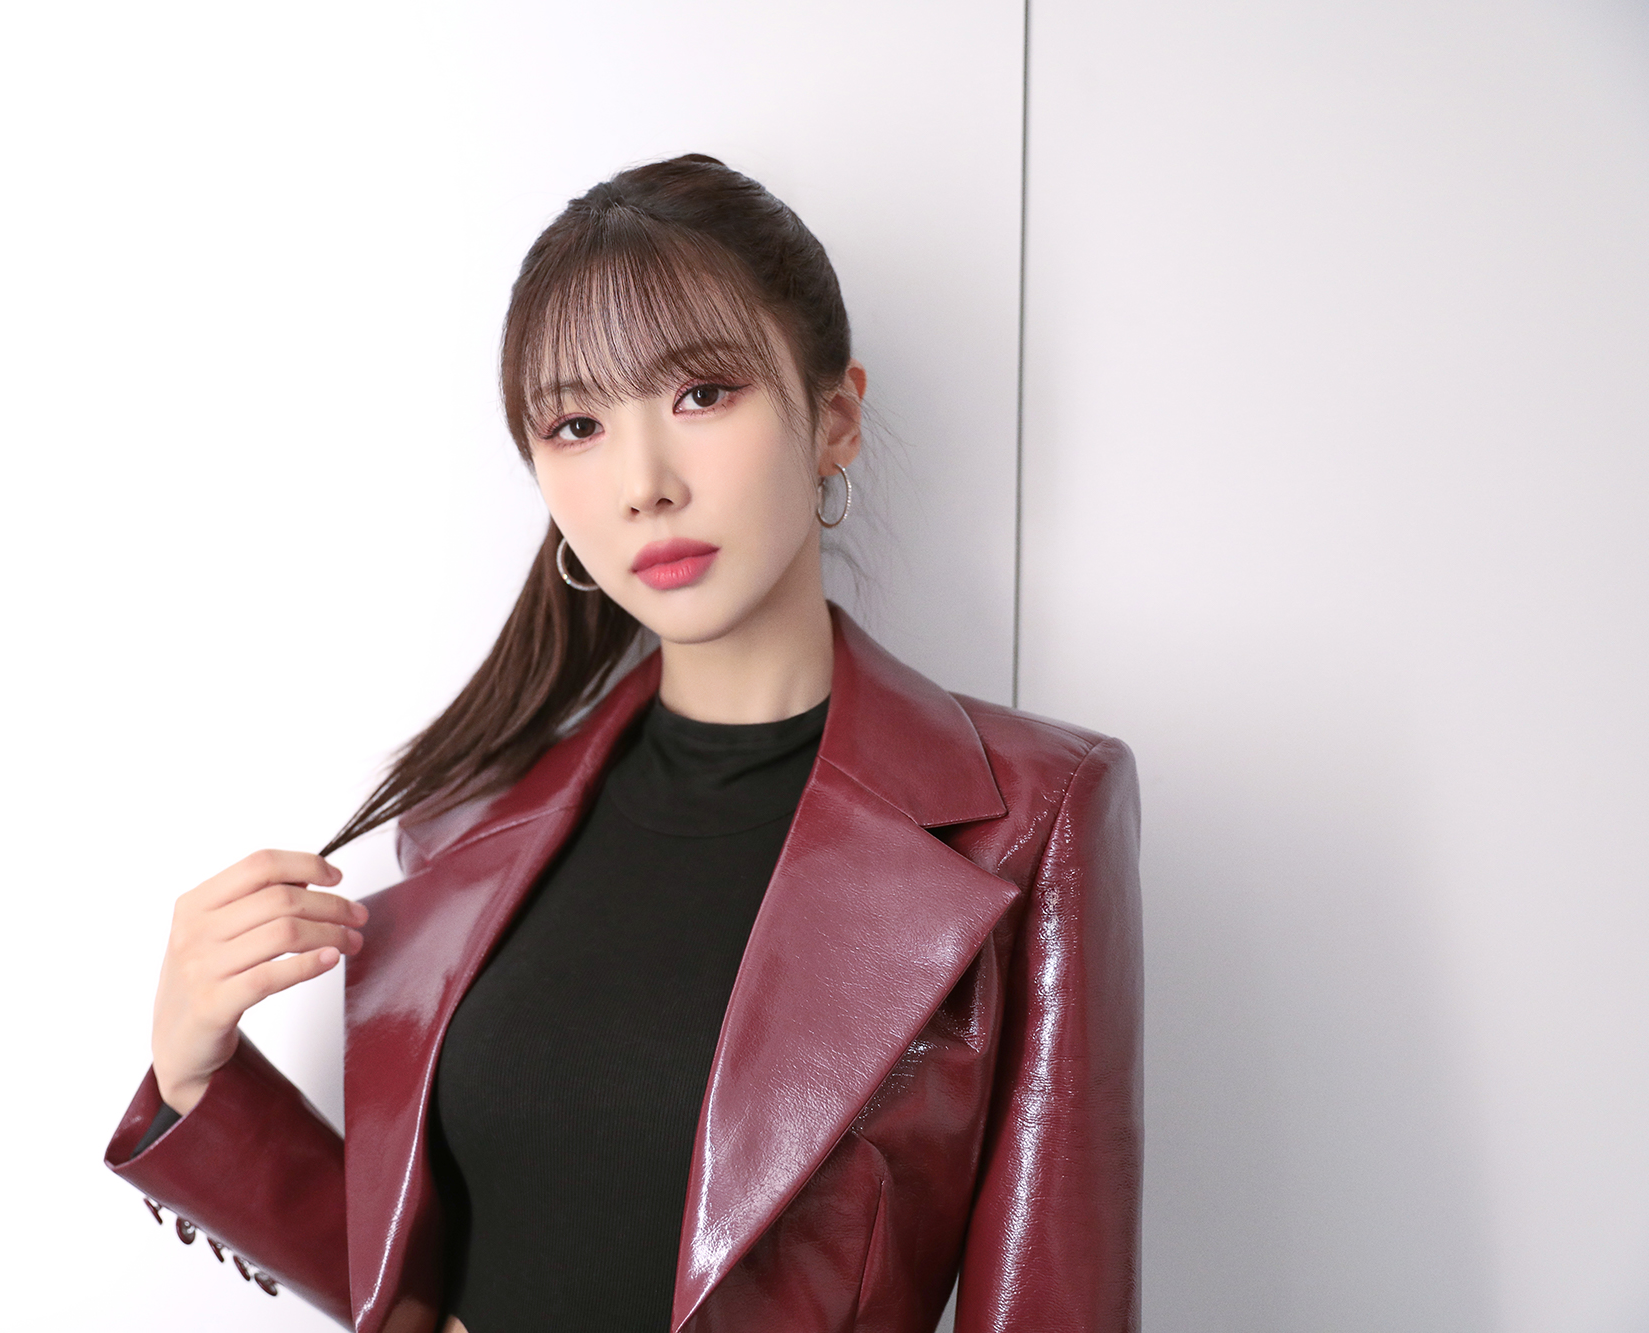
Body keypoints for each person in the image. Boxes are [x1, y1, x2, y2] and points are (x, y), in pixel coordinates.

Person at [104, 153, 1142, 1333]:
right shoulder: (466, 820)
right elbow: (415, 1286)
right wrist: (196, 1080)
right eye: (577, 424)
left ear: (833, 419)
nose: (643, 483)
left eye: (701, 393)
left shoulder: (1029, 813)